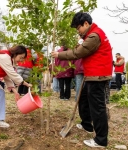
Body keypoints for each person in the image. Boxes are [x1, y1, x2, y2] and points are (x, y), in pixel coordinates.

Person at [51, 12, 112, 148]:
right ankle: (87, 124)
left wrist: (59, 54)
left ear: (86, 23)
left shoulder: (94, 36)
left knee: (97, 107)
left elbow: (79, 53)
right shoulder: (91, 35)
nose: (78, 31)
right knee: (84, 99)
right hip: (91, 74)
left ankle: (101, 140)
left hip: (98, 75)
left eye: (78, 28)